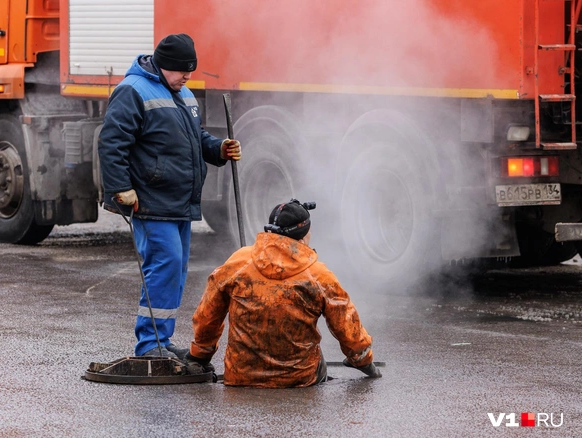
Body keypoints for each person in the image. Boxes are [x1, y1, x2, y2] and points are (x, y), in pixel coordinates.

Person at [98, 33, 242, 358]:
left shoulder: (184, 93)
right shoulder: (132, 91)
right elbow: (111, 143)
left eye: (190, 70)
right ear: (163, 66)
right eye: (181, 71)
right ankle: (149, 345)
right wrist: (121, 189)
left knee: (176, 271)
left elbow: (195, 136)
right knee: (165, 265)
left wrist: (218, 148)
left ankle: (162, 342)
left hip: (180, 202)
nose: (187, 76)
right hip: (151, 201)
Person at [184, 199, 382, 387]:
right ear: (304, 234)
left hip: (240, 375)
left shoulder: (238, 261)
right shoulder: (319, 275)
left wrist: (199, 356)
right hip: (300, 378)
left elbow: (208, 315)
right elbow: (346, 325)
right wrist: (363, 361)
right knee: (316, 354)